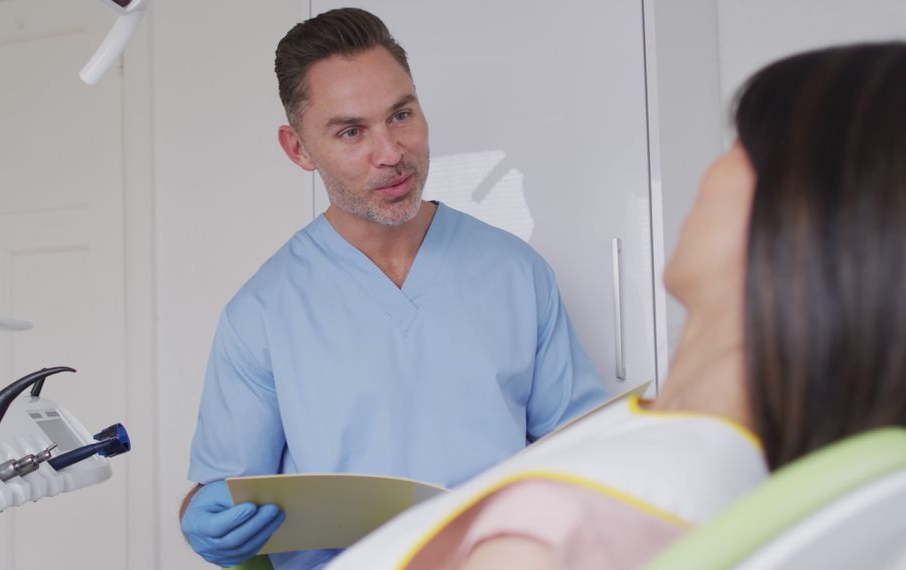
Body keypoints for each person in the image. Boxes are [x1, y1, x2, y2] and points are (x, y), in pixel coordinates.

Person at [329, 41, 906, 570]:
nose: (712, 167)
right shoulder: (699, 461)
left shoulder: (564, 522)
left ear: (798, 218)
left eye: (740, 147)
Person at [178, 7, 608, 569]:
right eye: (351, 131)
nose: (391, 152)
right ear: (298, 149)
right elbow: (227, 487)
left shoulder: (516, 272)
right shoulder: (260, 312)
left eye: (401, 115)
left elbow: (587, 451)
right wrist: (203, 518)